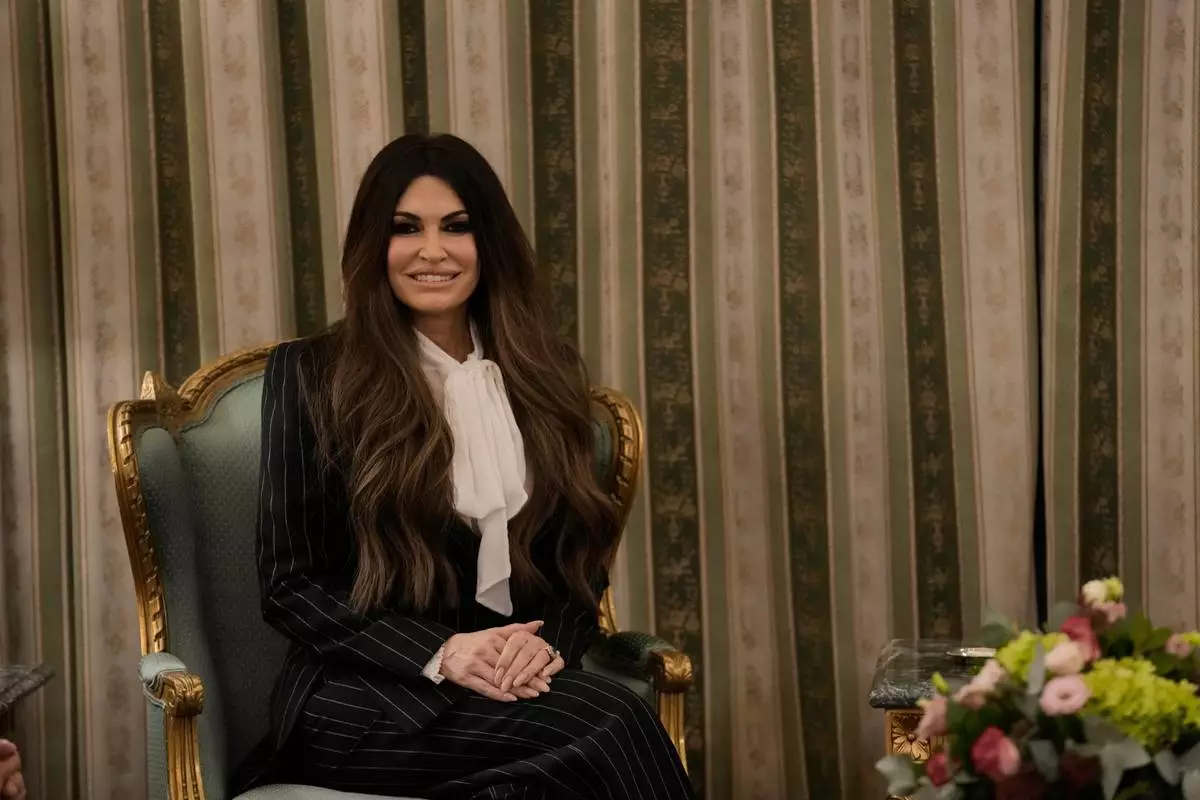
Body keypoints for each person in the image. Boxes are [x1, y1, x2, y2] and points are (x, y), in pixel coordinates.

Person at [234, 133, 694, 799]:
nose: (432, 250)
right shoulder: (310, 375)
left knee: (547, 778)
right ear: (373, 245)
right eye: (405, 229)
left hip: (509, 689)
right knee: (613, 718)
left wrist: (542, 647)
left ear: (490, 242)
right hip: (367, 699)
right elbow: (292, 586)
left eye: (456, 226)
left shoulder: (543, 374)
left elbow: (577, 569)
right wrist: (443, 653)